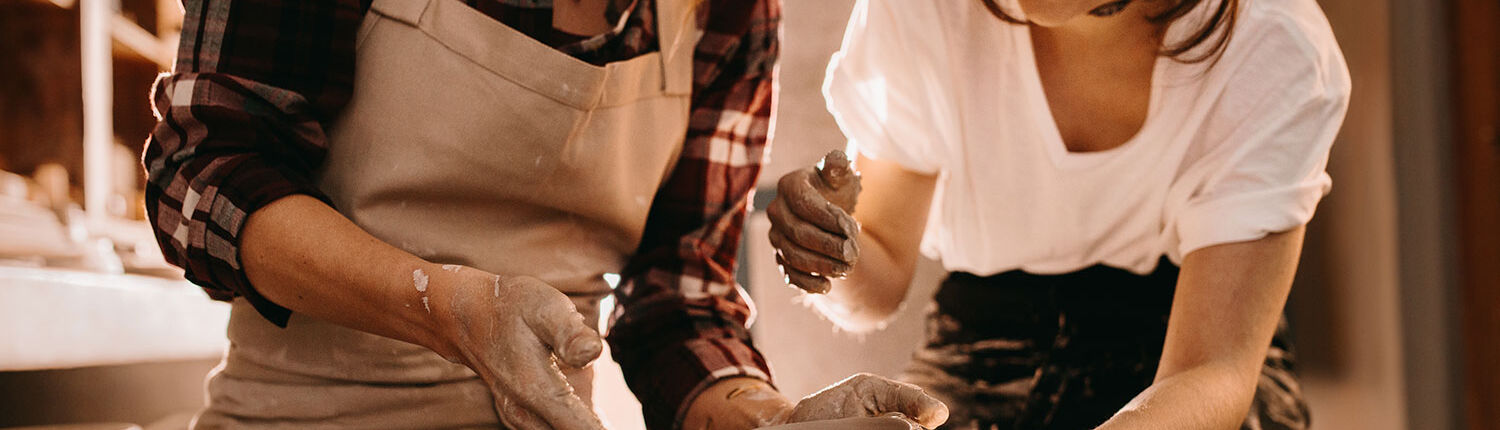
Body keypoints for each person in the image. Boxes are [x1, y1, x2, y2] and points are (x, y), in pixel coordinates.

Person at [143, 0, 949, 428]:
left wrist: (767, 418)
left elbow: (679, 298)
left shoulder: (734, 12)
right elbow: (202, 172)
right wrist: (452, 310)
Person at [766, 0, 1350, 428]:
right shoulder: (927, 11)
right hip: (981, 344)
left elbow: (1213, 368)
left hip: (1185, 350)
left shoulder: (1273, 43)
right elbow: (881, 271)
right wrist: (831, 249)